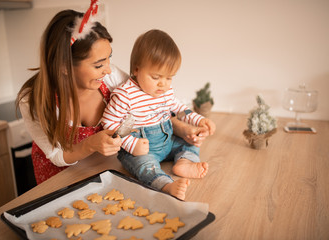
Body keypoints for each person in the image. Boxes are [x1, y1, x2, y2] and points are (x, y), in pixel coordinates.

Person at [16, 3, 209, 185]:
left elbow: (147, 106)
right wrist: (90, 144)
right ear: (64, 66)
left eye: (109, 58)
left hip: (100, 168)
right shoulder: (32, 100)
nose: (108, 70)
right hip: (61, 177)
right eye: (99, 64)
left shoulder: (112, 78)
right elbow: (56, 155)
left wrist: (181, 129)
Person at [101, 29, 216, 200]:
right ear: (137, 69)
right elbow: (109, 125)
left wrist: (198, 119)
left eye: (169, 77)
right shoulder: (125, 95)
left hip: (167, 143)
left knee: (190, 142)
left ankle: (185, 162)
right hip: (141, 150)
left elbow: (178, 108)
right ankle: (165, 184)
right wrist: (132, 145)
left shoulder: (165, 91)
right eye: (156, 77)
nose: (163, 84)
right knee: (145, 167)